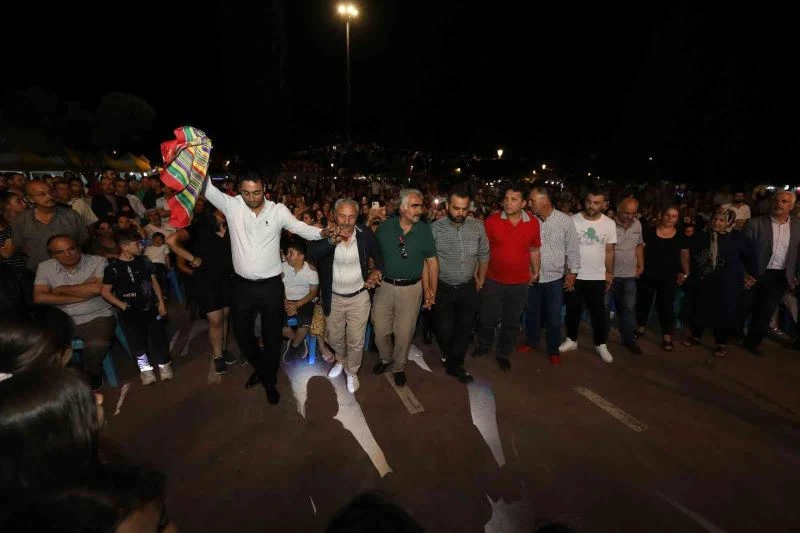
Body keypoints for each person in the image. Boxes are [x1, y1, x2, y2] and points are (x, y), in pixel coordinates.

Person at [203, 176, 334, 405]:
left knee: (272, 336)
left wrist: (323, 232)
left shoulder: (277, 211)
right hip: (242, 286)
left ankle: (269, 380)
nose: (252, 198)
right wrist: (192, 161)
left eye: (256, 192)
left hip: (271, 286)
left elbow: (301, 228)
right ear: (240, 191)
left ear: (264, 189)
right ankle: (262, 368)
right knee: (242, 335)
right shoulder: (231, 205)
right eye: (246, 193)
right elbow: (205, 187)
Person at [307, 198, 383, 393]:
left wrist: (376, 271)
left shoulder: (365, 234)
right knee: (334, 338)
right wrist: (330, 241)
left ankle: (351, 371)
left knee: (356, 341)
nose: (347, 221)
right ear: (334, 215)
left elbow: (380, 257)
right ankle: (341, 360)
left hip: (359, 297)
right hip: (333, 298)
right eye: (342, 216)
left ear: (357, 217)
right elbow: (312, 255)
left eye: (351, 217)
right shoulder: (325, 234)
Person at [372, 188, 438, 386]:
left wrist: (431, 291)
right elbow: (372, 252)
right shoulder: (385, 227)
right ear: (401, 208)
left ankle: (398, 367)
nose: (419, 210)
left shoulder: (424, 230)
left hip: (411, 290)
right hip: (384, 287)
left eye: (420, 206)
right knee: (380, 329)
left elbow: (432, 262)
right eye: (414, 206)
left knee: (404, 333)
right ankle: (385, 358)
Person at [33, 235, 115, 390]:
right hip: (60, 318)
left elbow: (99, 289)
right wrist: (83, 294)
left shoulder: (98, 262)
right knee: (41, 347)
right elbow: (39, 297)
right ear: (52, 255)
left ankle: (92, 373)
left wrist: (60, 290)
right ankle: (60, 383)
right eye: (60, 252)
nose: (68, 254)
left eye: (72, 249)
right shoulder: (45, 267)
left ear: (79, 247)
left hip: (97, 315)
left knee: (97, 345)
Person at [477, 184, 541, 370]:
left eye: (514, 199)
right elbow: (483, 250)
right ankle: (484, 346)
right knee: (487, 317)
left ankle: (503, 353)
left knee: (511, 321)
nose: (508, 203)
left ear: (524, 203)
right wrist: (479, 276)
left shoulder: (533, 223)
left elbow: (534, 249)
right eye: (506, 199)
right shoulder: (492, 221)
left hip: (519, 283)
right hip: (493, 279)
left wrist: (536, 271)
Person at [167, 206, 236, 374]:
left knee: (225, 316)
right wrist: (192, 258)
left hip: (228, 279)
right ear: (213, 209)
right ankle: (218, 356)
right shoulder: (199, 227)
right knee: (215, 319)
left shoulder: (232, 226)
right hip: (207, 280)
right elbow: (171, 240)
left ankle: (223, 350)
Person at [431, 189, 489, 382]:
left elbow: (484, 254)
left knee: (464, 329)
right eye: (456, 208)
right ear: (447, 206)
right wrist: (430, 288)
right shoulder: (435, 228)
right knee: (444, 329)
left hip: (468, 287)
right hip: (443, 287)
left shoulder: (477, 227)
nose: (460, 213)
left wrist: (481, 279)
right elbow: (429, 261)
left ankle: (455, 364)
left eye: (464, 209)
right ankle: (447, 353)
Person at [101, 229, 172, 386]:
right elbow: (105, 292)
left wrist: (161, 301)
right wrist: (122, 305)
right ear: (124, 246)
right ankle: (146, 371)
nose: (141, 246)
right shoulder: (112, 268)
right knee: (137, 343)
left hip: (151, 307)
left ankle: (164, 365)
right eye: (137, 243)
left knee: (159, 338)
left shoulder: (145, 261)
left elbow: (154, 282)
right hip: (130, 313)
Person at [683, 210, 757, 357]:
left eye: (722, 220)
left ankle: (721, 343)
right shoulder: (701, 236)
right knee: (699, 307)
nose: (717, 223)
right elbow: (690, 254)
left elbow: (750, 258)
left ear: (729, 223)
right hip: (704, 279)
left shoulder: (738, 238)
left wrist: (751, 275)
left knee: (724, 312)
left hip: (727, 282)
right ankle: (696, 336)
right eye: (715, 219)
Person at [523, 184, 579, 365]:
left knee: (554, 316)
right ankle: (531, 342)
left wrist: (572, 272)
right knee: (531, 313)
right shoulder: (528, 220)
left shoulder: (565, 221)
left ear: (545, 200)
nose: (529, 203)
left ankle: (553, 349)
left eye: (532, 200)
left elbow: (572, 249)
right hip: (532, 277)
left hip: (554, 278)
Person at [559, 188, 616, 363]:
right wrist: (568, 272)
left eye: (596, 202)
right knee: (572, 310)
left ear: (604, 205)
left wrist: (609, 272)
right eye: (589, 201)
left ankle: (601, 344)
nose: (592, 205)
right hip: (575, 275)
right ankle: (572, 339)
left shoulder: (609, 224)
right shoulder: (572, 220)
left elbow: (609, 250)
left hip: (597, 276)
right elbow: (566, 249)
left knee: (598, 313)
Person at [741, 191, 800, 355]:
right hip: (755, 273)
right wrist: (744, 273)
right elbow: (742, 251)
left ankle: (752, 342)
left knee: (765, 312)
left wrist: (795, 274)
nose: (779, 204)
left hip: (780, 276)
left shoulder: (797, 225)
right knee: (743, 306)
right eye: (776, 200)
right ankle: (731, 334)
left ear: (791, 206)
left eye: (784, 201)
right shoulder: (755, 223)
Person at [280, 239, 319, 361]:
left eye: (291, 253)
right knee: (278, 325)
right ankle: (299, 341)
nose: (287, 256)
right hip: (286, 300)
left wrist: (297, 305)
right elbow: (279, 287)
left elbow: (313, 293)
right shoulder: (282, 267)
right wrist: (284, 299)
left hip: (304, 300)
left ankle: (293, 347)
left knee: (305, 324)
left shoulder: (311, 271)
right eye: (287, 253)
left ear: (301, 256)